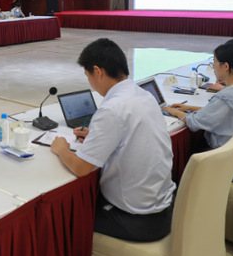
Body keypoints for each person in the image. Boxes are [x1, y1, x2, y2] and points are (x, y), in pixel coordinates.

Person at [50, 38, 175, 242]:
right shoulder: (145, 95)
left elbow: (81, 168)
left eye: (87, 75)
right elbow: (131, 135)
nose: (90, 82)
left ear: (97, 72)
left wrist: (61, 148)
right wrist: (98, 136)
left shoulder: (111, 109)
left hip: (137, 219)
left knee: (62, 220)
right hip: (165, 208)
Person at [165, 42, 233, 182]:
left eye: (214, 63)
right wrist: (190, 108)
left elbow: (194, 123)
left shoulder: (225, 96)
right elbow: (226, 112)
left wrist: (174, 112)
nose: (213, 68)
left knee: (189, 166)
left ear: (226, 66)